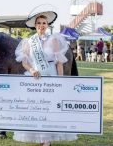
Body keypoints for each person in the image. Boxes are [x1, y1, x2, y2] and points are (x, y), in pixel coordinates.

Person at [14, 11, 78, 146]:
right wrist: (31, 70)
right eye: (39, 23)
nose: (41, 25)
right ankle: (42, 139)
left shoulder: (54, 39)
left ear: (47, 25)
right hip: (35, 79)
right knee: (36, 109)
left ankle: (46, 141)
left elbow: (59, 63)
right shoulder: (28, 41)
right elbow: (25, 62)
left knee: (50, 109)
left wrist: (60, 82)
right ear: (35, 25)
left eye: (44, 23)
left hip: (51, 77)